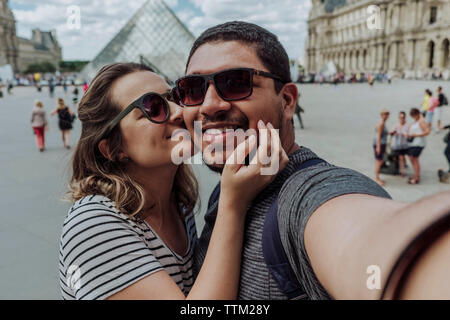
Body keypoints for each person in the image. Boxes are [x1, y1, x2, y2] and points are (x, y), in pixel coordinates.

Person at [178, 21, 450, 300]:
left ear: (287, 100)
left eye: (236, 83)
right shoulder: (228, 187)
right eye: (192, 89)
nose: (209, 105)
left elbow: (370, 237)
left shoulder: (310, 194)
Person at [59, 62, 287, 300]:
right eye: (153, 107)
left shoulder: (177, 203)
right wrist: (233, 203)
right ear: (113, 149)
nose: (178, 111)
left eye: (174, 97)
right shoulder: (93, 225)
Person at [406, 108, 430, 185]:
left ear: (416, 114)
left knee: (414, 159)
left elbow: (427, 131)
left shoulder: (421, 121)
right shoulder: (417, 120)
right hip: (414, 143)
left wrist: (416, 135)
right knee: (413, 158)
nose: (413, 117)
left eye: (413, 116)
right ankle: (416, 175)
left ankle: (416, 177)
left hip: (419, 143)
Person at [389, 111, 409, 177]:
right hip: (397, 145)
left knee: (402, 157)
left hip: (404, 145)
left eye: (403, 117)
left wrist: (406, 135)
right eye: (400, 117)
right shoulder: (396, 125)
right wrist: (393, 132)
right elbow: (391, 132)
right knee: (401, 157)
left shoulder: (407, 125)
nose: (402, 119)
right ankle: (402, 169)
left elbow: (409, 135)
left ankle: (402, 170)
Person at [373, 108, 390, 186]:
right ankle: (376, 178)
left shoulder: (383, 123)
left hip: (381, 144)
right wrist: (378, 147)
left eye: (387, 114)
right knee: (379, 161)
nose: (387, 116)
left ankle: (377, 177)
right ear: (382, 115)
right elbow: (379, 136)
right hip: (380, 144)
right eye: (385, 114)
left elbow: (383, 133)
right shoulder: (381, 124)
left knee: (379, 160)